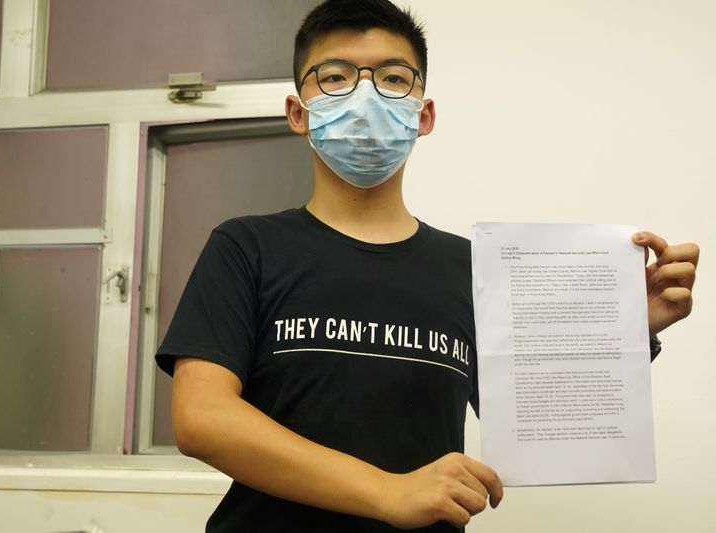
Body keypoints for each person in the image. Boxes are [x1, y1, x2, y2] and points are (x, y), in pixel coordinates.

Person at [155, 1, 700, 531]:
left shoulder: (473, 268)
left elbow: (534, 415)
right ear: (298, 113)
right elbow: (203, 419)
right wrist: (387, 491)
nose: (364, 95)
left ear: (425, 114)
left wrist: (623, 327)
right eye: (335, 77)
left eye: (393, 79)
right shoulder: (247, 246)